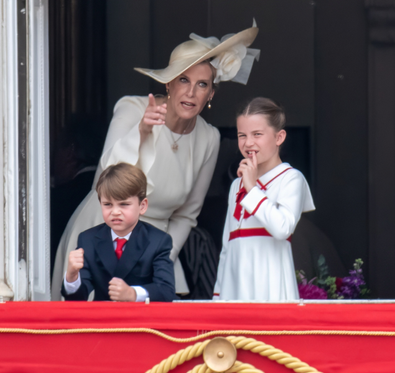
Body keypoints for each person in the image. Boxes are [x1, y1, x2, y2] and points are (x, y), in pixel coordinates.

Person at [51, 21, 260, 300]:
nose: (190, 92)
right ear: (169, 83)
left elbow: (187, 216)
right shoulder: (132, 108)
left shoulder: (208, 138)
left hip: (154, 249)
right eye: (183, 80)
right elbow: (104, 179)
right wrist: (143, 131)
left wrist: (157, 259)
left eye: (202, 85)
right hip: (100, 236)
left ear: (210, 94)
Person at [213, 97, 315, 301]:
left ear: (279, 137)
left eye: (257, 134)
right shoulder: (236, 185)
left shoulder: (291, 178)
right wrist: (218, 296)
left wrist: (252, 189)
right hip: (234, 291)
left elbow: (282, 228)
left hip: (271, 287)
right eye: (242, 135)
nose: (248, 142)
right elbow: (227, 246)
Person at [62, 163, 176, 302]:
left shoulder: (158, 240)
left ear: (142, 206)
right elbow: (78, 299)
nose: (115, 212)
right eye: (108, 204)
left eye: (124, 204)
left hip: (140, 321)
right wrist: (72, 276)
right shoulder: (88, 239)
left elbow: (166, 290)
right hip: (103, 320)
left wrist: (132, 294)